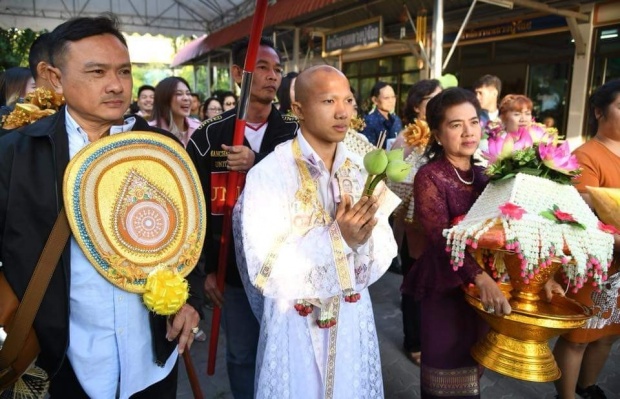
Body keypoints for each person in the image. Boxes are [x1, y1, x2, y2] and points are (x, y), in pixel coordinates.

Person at [0, 15, 203, 398]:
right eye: (97, 71)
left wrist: (191, 301)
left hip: (152, 364)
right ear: (54, 77)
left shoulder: (164, 151)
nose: (116, 85)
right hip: (60, 363)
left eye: (124, 71)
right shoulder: (17, 154)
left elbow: (192, 236)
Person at [234, 64, 397, 399]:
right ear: (299, 110)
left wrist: (362, 241)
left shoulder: (362, 167)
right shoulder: (269, 173)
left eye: (349, 101)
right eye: (327, 101)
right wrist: (340, 240)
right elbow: (263, 265)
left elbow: (384, 246)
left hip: (350, 313)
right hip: (294, 318)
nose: (343, 112)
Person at [186, 36, 298, 399]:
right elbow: (195, 208)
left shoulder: (298, 132)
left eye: (277, 69)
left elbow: (312, 188)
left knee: (288, 353)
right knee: (241, 354)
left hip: (290, 270)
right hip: (231, 272)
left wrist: (259, 164)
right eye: (261, 67)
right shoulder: (208, 137)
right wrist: (203, 272)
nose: (272, 76)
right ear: (239, 74)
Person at [401, 88, 512, 398]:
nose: (468, 132)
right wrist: (479, 277)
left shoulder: (486, 175)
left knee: (472, 368)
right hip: (446, 286)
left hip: (481, 289)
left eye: (473, 121)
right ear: (437, 133)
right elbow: (439, 237)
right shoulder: (430, 176)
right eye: (455, 124)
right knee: (445, 371)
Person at [553, 79, 620, 399]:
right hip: (593, 262)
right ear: (598, 112)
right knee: (578, 336)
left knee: (608, 335)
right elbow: (585, 217)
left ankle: (587, 387)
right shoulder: (586, 156)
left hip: (618, 269)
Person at [390, 78, 442, 366]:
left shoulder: (446, 134)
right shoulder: (406, 139)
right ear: (417, 106)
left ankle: (434, 335)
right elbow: (393, 182)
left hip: (444, 226)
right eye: (432, 100)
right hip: (414, 225)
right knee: (414, 286)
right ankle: (414, 341)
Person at [149, 76, 200, 147]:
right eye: (179, 94)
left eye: (188, 93)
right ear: (164, 98)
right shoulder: (150, 132)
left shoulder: (199, 128)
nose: (186, 98)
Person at [360, 81, 403, 149]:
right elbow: (367, 149)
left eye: (393, 97)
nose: (391, 101)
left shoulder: (396, 120)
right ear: (375, 100)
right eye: (386, 98)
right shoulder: (369, 121)